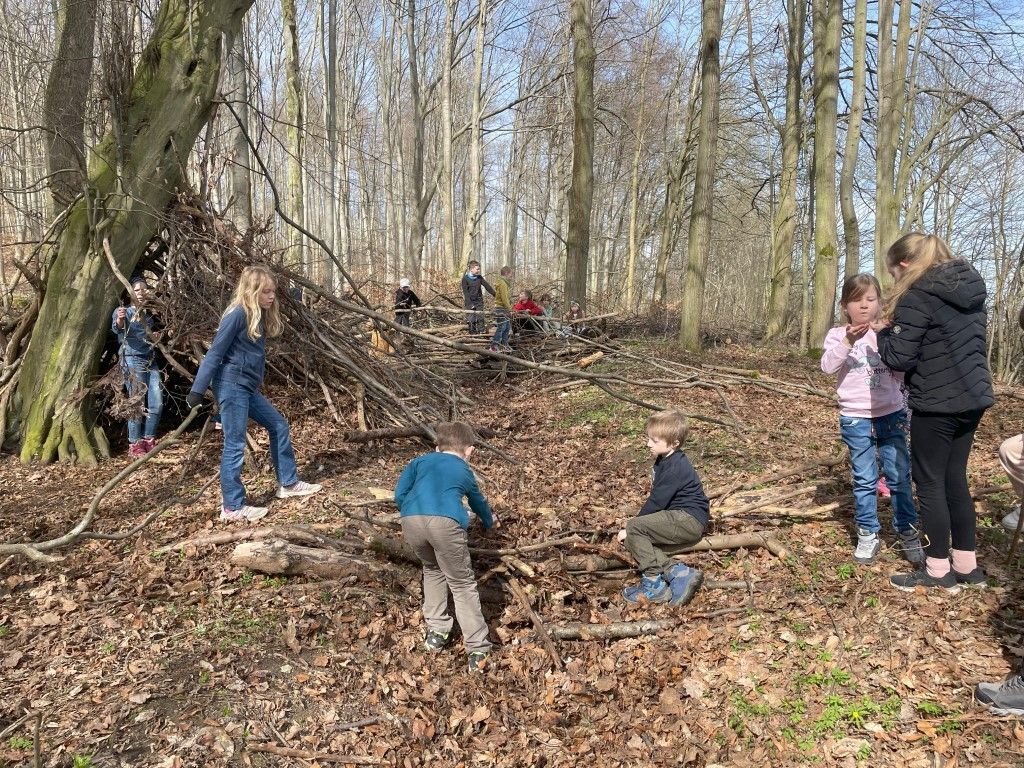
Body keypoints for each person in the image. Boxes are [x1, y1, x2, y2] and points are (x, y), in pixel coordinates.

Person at [877, 233, 994, 592]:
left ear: (904, 264)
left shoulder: (918, 296)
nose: (895, 279)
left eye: (893, 272)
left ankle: (939, 570)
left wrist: (883, 334)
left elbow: (898, 358)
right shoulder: (971, 291)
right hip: (972, 398)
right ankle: (967, 567)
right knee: (955, 479)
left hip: (937, 402)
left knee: (929, 483)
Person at [186, 265, 322, 523]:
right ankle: (232, 507)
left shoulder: (256, 314)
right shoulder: (237, 314)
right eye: (266, 291)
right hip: (232, 385)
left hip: (245, 387)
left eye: (273, 291)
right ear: (252, 290)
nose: (271, 296)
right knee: (235, 443)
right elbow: (215, 353)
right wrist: (198, 390)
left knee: (278, 425)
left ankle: (288, 483)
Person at [820, 273, 923, 565]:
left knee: (899, 476)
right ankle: (868, 533)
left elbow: (901, 371)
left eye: (870, 299)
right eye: (856, 300)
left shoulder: (887, 333)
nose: (864, 305)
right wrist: (848, 341)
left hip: (891, 414)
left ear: (879, 303)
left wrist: (888, 337)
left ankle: (908, 531)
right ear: (844, 306)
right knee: (865, 479)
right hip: (855, 417)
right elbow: (827, 367)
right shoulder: (837, 335)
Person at [395, 422, 499, 673]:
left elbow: (399, 494)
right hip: (445, 524)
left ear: (437, 447)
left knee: (432, 570)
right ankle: (477, 648)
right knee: (462, 583)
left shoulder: (419, 462)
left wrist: (411, 511)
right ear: (470, 450)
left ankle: (437, 632)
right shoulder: (463, 469)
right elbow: (478, 501)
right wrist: (489, 521)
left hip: (411, 520)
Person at [618, 409, 707, 606]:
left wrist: (631, 527)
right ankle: (677, 572)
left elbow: (657, 502)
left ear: (674, 443)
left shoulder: (675, 466)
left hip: (688, 519)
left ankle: (653, 584)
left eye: (655, 440)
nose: (648, 444)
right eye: (648, 438)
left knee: (634, 528)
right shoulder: (664, 460)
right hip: (678, 517)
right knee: (634, 539)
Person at [112, 278, 163, 457]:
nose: (141, 292)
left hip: (150, 360)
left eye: (144, 289)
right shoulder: (124, 311)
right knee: (136, 402)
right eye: (137, 289)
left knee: (157, 402)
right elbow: (118, 328)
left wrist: (156, 337)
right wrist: (120, 319)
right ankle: (134, 443)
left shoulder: (148, 316)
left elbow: (150, 338)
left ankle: (149, 439)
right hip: (132, 359)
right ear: (129, 292)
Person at [461, 261, 494, 335]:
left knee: (480, 316)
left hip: (479, 301)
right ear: (471, 269)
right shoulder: (465, 279)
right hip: (469, 301)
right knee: (471, 318)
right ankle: (472, 332)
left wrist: (495, 294)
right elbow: (465, 293)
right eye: (477, 269)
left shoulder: (479, 278)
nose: (479, 270)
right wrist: (470, 304)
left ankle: (481, 331)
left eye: (479, 269)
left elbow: (487, 287)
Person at [489, 266, 514, 352]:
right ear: (506, 273)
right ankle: (493, 346)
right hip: (501, 308)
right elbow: (504, 298)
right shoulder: (502, 284)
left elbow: (506, 297)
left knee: (507, 327)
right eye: (511, 274)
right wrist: (510, 309)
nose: (511, 276)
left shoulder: (504, 283)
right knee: (501, 327)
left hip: (504, 308)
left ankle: (504, 345)